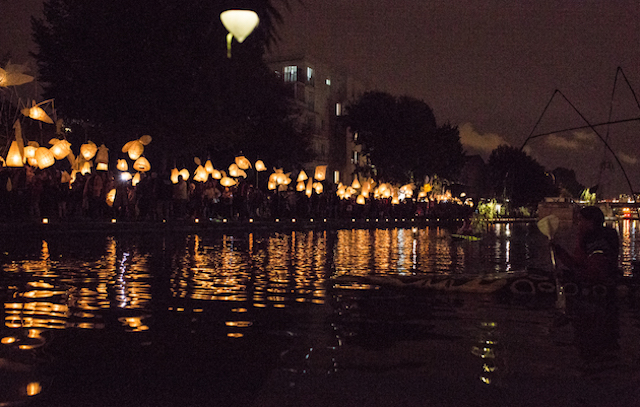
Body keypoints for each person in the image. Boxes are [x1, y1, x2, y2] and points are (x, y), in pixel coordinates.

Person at [551, 206, 620, 365]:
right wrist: (559, 251)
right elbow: (578, 264)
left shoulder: (598, 240)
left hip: (598, 299)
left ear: (591, 222)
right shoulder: (585, 237)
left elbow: (597, 269)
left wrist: (575, 277)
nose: (578, 223)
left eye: (581, 220)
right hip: (589, 283)